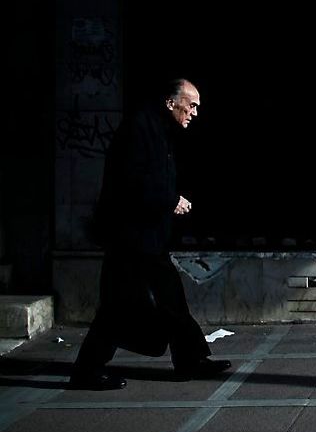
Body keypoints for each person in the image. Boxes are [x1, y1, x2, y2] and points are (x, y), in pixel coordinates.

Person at [69, 79, 231, 390]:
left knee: (171, 298)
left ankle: (190, 360)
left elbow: (151, 177)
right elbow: (131, 183)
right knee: (117, 306)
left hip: (147, 237)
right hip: (130, 238)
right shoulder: (139, 130)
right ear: (171, 102)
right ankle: (86, 371)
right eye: (192, 104)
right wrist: (171, 200)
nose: (195, 112)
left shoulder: (157, 130)